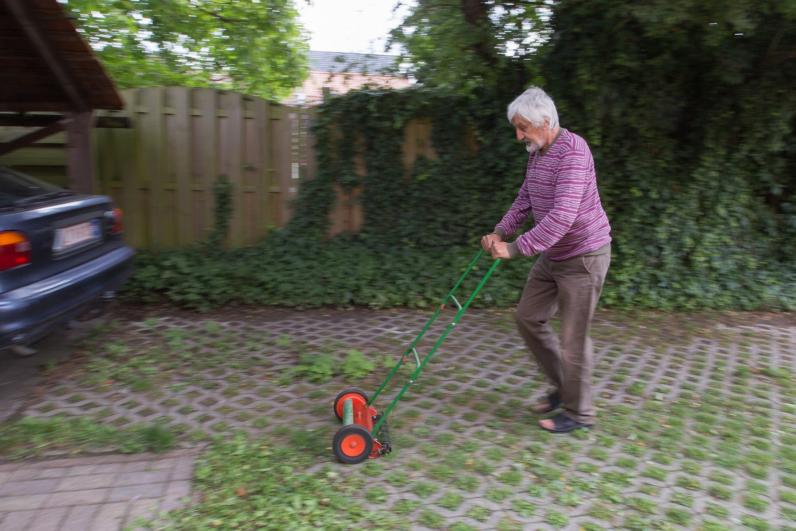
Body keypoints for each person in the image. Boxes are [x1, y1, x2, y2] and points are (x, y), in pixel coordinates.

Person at [482, 86, 612, 433]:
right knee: (528, 317)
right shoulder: (537, 152)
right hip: (554, 253)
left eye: (523, 126)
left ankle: (579, 413)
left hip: (584, 256)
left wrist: (514, 248)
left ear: (545, 121)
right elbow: (525, 198)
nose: (518, 134)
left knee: (573, 338)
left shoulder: (574, 151)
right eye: (517, 127)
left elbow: (562, 216)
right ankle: (564, 387)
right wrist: (500, 231)